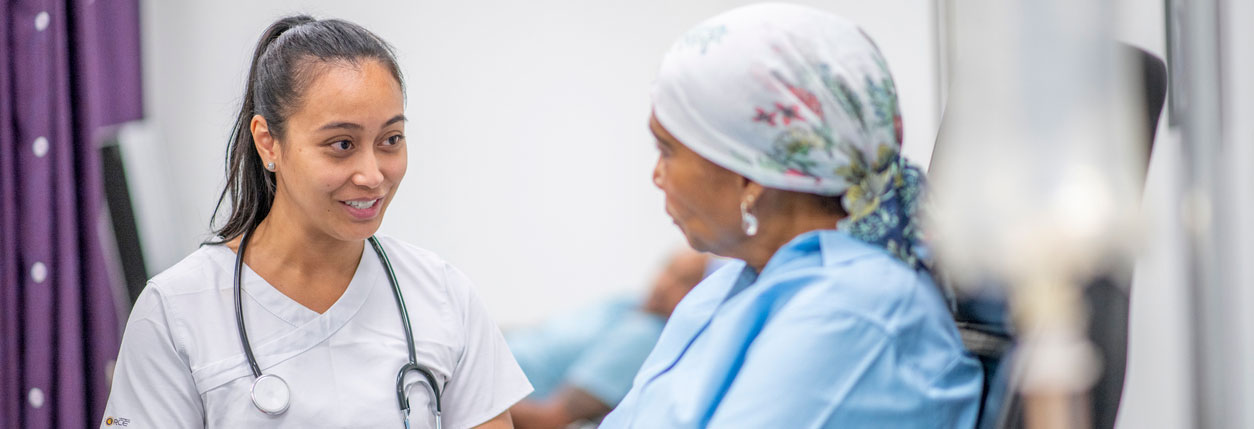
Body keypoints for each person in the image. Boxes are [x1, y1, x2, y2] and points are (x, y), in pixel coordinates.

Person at [100, 16, 530, 428]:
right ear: (268, 142)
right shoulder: (175, 311)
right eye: (341, 144)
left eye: (390, 140)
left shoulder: (443, 296)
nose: (372, 174)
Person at [598, 4, 982, 428]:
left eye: (667, 150)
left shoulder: (854, 310)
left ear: (750, 174)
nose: (657, 175)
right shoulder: (729, 287)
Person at [507, 250, 711, 428]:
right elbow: (541, 333)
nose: (666, 284)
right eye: (669, 270)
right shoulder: (625, 303)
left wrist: (482, 395)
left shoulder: (644, 337)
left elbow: (549, 419)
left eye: (685, 281)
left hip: (497, 390)